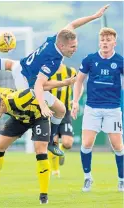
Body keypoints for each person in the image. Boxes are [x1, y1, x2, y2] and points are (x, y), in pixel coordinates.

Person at [0, 5, 109, 156]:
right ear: (62, 45)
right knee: (60, 109)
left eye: (76, 46)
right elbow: (40, 85)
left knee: (8, 63)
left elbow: (73, 24)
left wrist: (94, 17)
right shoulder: (54, 60)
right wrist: (43, 105)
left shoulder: (56, 38)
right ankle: (50, 141)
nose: (75, 49)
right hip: (25, 82)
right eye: (72, 47)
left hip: (20, 66)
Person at [0, 41, 66, 204]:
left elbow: (39, 87)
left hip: (38, 116)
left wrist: (64, 83)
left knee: (39, 149)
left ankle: (43, 195)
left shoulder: (19, 98)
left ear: (1, 104)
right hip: (19, 118)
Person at [71, 27, 124, 192]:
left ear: (114, 43)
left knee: (117, 146)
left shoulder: (120, 61)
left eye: (108, 41)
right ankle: (87, 178)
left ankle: (121, 180)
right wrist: (75, 101)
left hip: (113, 108)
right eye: (102, 40)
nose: (105, 43)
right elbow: (79, 81)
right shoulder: (90, 59)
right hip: (92, 108)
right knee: (87, 143)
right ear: (99, 42)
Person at [48, 63, 77, 177]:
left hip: (65, 113)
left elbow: (79, 84)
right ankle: (55, 171)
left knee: (68, 143)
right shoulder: (47, 72)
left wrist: (75, 100)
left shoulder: (70, 71)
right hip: (51, 112)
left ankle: (61, 152)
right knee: (53, 142)